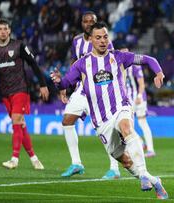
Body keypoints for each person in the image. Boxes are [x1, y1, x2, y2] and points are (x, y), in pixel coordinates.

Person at [50, 22, 168, 199]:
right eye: (98, 37)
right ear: (91, 40)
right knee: (125, 161)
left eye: (105, 37)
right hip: (101, 121)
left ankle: (144, 174)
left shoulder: (119, 57)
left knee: (127, 128)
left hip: (121, 107)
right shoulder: (82, 64)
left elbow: (148, 60)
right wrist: (58, 81)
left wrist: (158, 72)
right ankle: (154, 180)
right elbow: (66, 84)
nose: (103, 40)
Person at [60, 11, 120, 179]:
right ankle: (76, 163)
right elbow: (74, 64)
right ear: (81, 23)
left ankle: (114, 168)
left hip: (99, 89)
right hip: (81, 89)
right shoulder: (76, 41)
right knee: (67, 120)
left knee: (106, 128)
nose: (88, 24)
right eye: (85, 21)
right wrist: (65, 85)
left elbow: (112, 63)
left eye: (91, 21)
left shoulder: (104, 41)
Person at [0, 18, 49, 170]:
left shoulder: (19, 46)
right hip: (5, 93)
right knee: (20, 125)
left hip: (20, 89)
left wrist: (43, 84)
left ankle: (14, 159)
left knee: (16, 121)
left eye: (5, 29)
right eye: (0, 29)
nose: (3, 31)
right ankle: (35, 159)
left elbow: (34, 64)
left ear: (9, 30)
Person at [120, 46, 156, 158]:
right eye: (122, 52)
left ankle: (150, 149)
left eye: (127, 52)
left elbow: (141, 83)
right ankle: (140, 143)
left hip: (138, 98)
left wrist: (139, 95)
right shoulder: (117, 65)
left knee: (141, 122)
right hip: (128, 99)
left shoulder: (134, 65)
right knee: (128, 125)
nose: (125, 54)